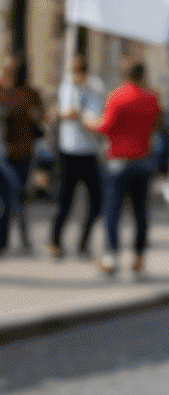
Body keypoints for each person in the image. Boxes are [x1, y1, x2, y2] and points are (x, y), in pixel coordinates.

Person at [89, 58, 162, 277]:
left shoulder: (117, 97)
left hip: (119, 159)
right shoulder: (152, 98)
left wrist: (85, 120)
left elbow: (105, 126)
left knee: (113, 210)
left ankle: (111, 255)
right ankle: (138, 257)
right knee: (140, 212)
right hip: (143, 159)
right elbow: (156, 124)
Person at [48, 55, 105, 258]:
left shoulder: (94, 87)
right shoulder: (66, 87)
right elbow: (58, 114)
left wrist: (79, 115)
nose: (75, 76)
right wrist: (65, 114)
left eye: (78, 71)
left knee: (97, 202)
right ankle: (55, 241)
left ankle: (83, 242)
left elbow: (95, 119)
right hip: (68, 152)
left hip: (88, 153)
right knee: (65, 202)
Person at [0, 58, 46, 253]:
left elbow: (40, 116)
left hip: (23, 152)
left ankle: (17, 238)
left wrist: (34, 115)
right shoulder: (2, 92)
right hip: (4, 153)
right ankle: (11, 239)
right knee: (10, 196)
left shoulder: (30, 93)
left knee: (16, 195)